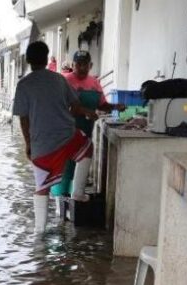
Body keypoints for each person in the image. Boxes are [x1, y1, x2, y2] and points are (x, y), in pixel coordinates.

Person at [11, 41, 99, 233]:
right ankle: (78, 191)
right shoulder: (59, 79)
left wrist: (29, 144)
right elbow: (75, 107)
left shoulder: (23, 85)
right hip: (68, 136)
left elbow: (23, 119)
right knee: (87, 148)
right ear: (46, 57)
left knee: (42, 187)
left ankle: (39, 231)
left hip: (42, 145)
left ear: (28, 60)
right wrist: (88, 112)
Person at [51, 50, 125, 222]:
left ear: (90, 65)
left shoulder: (95, 83)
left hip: (85, 129)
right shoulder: (65, 81)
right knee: (64, 166)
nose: (82, 67)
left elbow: (102, 105)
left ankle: (73, 199)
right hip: (66, 129)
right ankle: (59, 205)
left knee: (80, 162)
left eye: (85, 64)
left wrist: (115, 107)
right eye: (78, 64)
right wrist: (86, 111)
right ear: (73, 65)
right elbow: (64, 106)